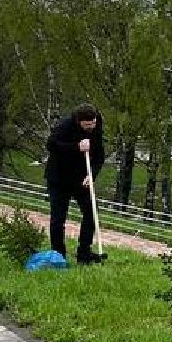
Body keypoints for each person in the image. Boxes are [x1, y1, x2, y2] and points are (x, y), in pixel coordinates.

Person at [45, 103, 106, 265]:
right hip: (59, 177)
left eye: (92, 124)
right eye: (87, 126)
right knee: (58, 218)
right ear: (79, 121)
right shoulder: (65, 126)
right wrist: (76, 147)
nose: (91, 128)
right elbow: (51, 145)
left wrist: (92, 174)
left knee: (91, 212)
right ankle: (59, 256)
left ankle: (84, 253)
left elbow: (100, 155)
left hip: (82, 178)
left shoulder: (97, 124)